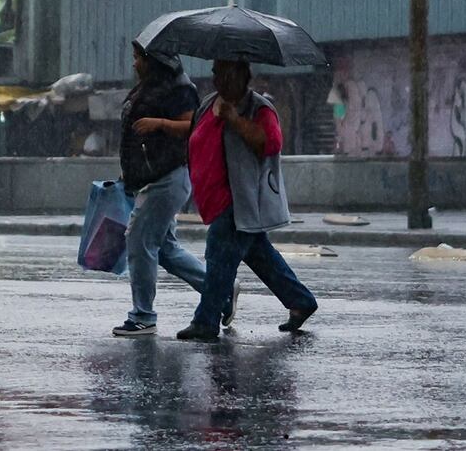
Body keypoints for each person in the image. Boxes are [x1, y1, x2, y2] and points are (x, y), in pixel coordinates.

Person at [177, 60, 318, 341]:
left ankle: (205, 321)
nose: (216, 78)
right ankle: (300, 300)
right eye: (215, 72)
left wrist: (234, 119)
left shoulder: (259, 108)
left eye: (223, 72)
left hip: (239, 201)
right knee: (260, 255)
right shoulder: (208, 103)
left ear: (241, 75)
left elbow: (270, 144)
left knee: (218, 258)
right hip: (215, 200)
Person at [112, 43, 237, 337]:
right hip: (154, 176)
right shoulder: (149, 87)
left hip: (169, 176)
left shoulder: (179, 89)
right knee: (165, 249)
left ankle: (143, 315)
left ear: (154, 60)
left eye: (138, 57)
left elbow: (193, 126)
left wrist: (159, 124)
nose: (134, 64)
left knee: (139, 240)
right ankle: (220, 289)